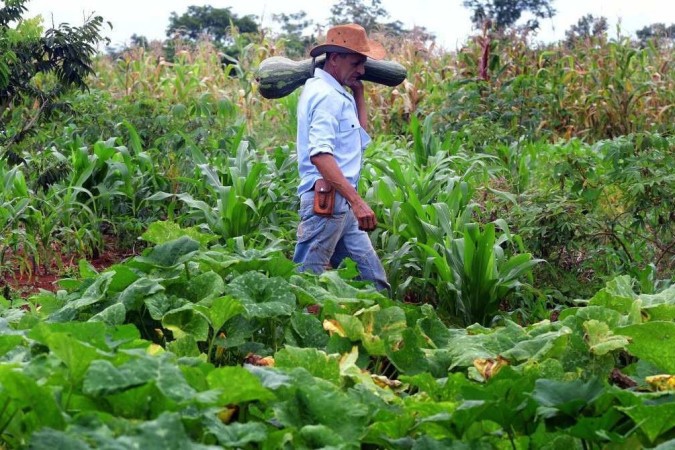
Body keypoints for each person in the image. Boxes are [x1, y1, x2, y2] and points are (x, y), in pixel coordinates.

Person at [293, 23, 390, 293]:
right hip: (328, 205)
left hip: (340, 206)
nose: (362, 70)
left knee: (374, 283)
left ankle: (372, 333)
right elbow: (320, 156)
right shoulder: (326, 97)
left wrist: (359, 94)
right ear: (334, 59)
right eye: (357, 62)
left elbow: (357, 140)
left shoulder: (336, 94)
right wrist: (358, 203)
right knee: (306, 286)